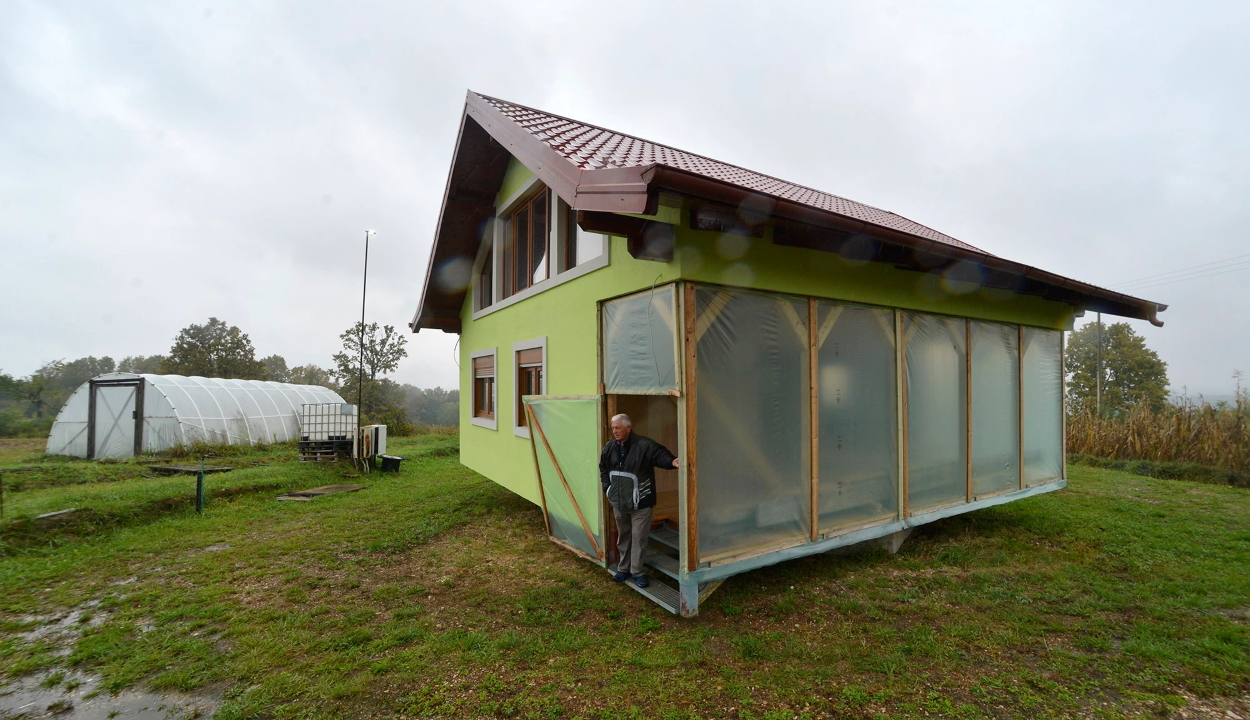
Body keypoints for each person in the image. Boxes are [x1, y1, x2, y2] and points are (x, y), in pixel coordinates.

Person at [599, 413, 679, 589]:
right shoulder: (610, 447)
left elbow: (660, 454)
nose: (615, 431)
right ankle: (623, 569)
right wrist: (608, 489)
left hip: (641, 504)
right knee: (624, 536)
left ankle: (638, 572)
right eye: (613, 428)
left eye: (618, 428)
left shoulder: (644, 445)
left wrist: (672, 461)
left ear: (628, 427)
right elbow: (603, 469)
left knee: (639, 537)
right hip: (619, 503)